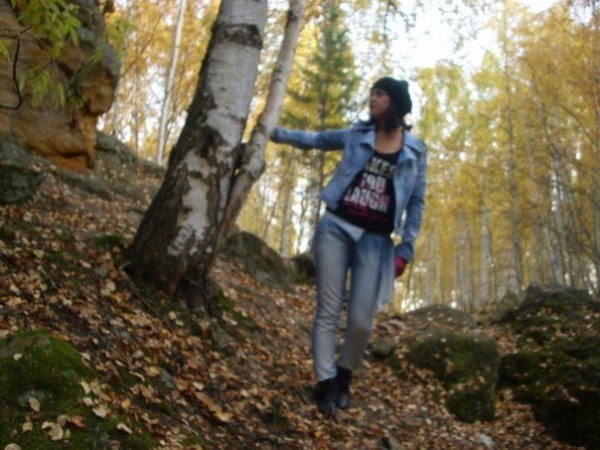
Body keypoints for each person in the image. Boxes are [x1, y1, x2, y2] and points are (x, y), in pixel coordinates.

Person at [270, 77, 427, 418]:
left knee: (360, 322)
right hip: (337, 228)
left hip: (376, 241)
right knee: (328, 310)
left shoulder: (415, 150)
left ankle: (344, 375)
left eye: (380, 94)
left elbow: (416, 202)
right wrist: (275, 132)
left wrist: (406, 250)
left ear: (395, 102)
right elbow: (318, 140)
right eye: (371, 93)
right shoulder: (358, 134)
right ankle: (325, 381)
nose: (372, 98)